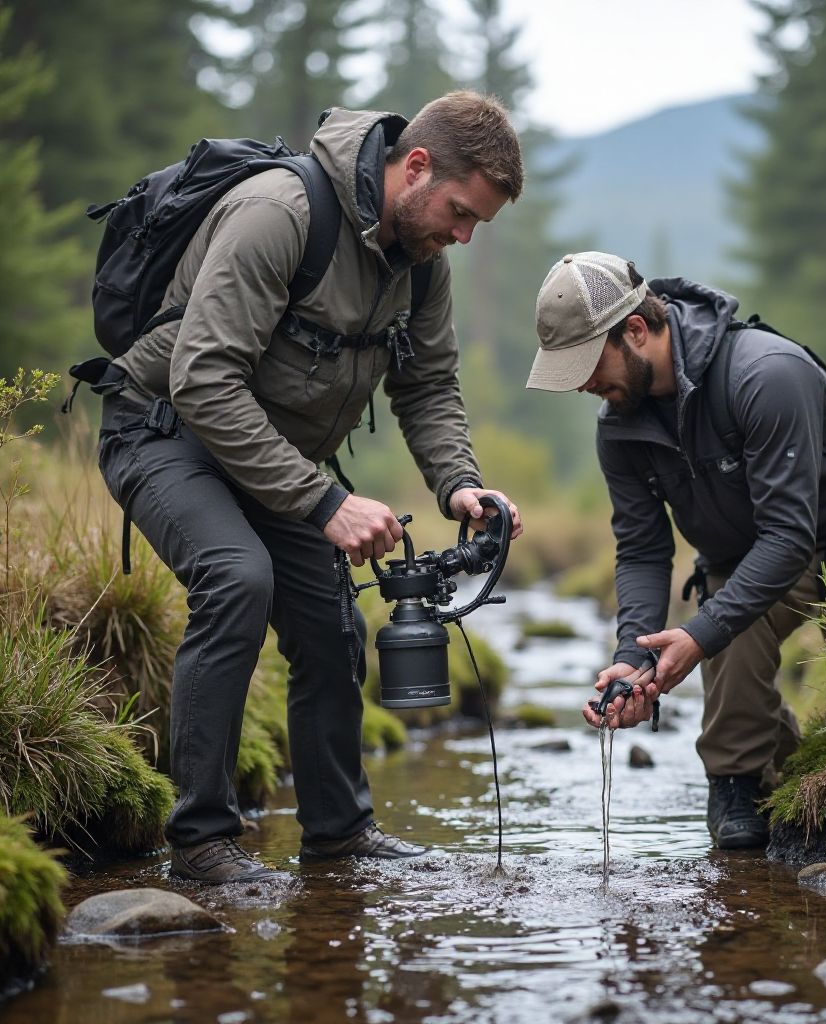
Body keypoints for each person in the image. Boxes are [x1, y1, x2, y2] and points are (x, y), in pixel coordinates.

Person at [92, 92, 525, 882]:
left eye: (476, 227)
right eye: (460, 213)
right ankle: (201, 842)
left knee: (331, 621)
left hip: (270, 457)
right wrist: (325, 501)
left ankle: (339, 834)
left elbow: (427, 387)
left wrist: (461, 487)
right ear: (416, 167)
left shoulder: (423, 268)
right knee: (236, 575)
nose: (462, 236)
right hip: (163, 431)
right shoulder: (281, 213)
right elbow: (203, 381)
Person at [526, 252, 826, 849]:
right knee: (726, 614)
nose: (581, 384)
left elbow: (789, 535)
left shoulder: (765, 374)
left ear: (635, 329)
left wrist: (698, 635)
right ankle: (743, 782)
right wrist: (634, 659)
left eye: (586, 364)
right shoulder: (619, 426)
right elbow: (643, 549)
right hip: (746, 553)